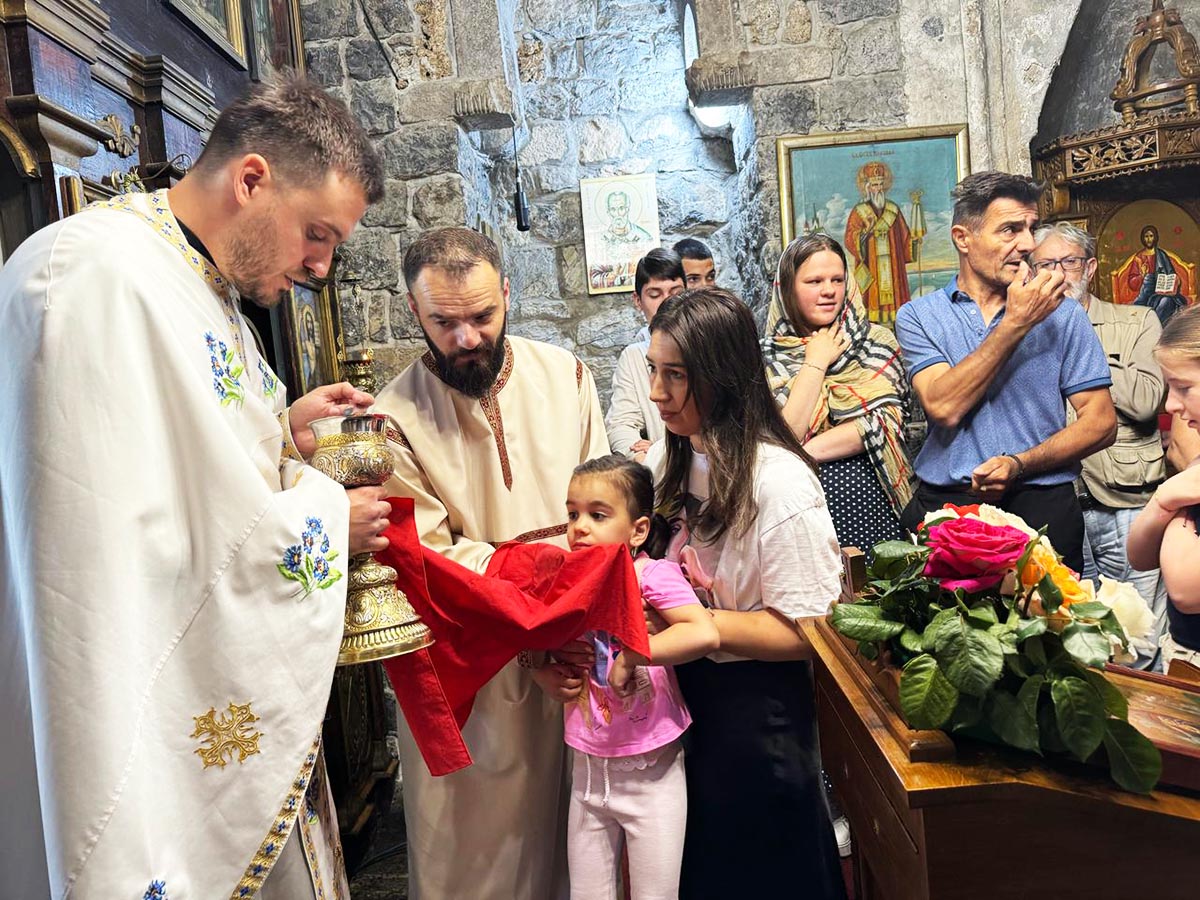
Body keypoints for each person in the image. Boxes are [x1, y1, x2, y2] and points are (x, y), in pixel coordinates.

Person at [0, 75, 391, 898]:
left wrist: (283, 434)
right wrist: (326, 519)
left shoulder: (202, 288)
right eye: (316, 233)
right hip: (138, 715)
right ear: (251, 180)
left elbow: (191, 467)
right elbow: (108, 543)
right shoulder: (91, 277)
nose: (321, 266)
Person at [372, 226, 609, 900]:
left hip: (574, 653)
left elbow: (606, 510)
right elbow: (430, 562)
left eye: (483, 315)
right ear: (414, 311)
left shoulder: (565, 376)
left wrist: (567, 630)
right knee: (478, 863)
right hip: (475, 669)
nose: (468, 337)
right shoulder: (392, 419)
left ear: (508, 293)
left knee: (581, 850)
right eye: (444, 322)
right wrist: (533, 639)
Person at [643, 287, 846, 899]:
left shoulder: (779, 482)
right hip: (689, 702)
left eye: (675, 375)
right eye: (653, 370)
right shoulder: (672, 460)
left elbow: (808, 630)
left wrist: (697, 624)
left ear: (723, 377)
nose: (657, 392)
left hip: (757, 715)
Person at [894, 171, 1117, 573]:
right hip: (949, 508)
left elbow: (1101, 423)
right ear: (963, 238)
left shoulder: (1063, 313)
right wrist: (1016, 322)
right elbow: (943, 406)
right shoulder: (919, 316)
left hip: (1043, 505)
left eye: (1031, 228)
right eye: (1010, 230)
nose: (1028, 244)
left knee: (1052, 615)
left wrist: (1020, 463)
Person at [539, 455, 719, 900]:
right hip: (587, 770)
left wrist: (634, 657)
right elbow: (537, 636)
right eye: (573, 514)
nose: (580, 527)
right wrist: (543, 671)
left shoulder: (650, 575)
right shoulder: (566, 579)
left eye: (598, 515)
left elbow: (703, 632)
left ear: (638, 530)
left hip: (651, 775)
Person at [1030, 223, 1167, 669]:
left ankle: (1146, 710)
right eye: (1045, 264)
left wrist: (1081, 341)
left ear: (1089, 268)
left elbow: (1145, 400)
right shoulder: (1026, 333)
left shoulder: (1137, 322)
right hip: (1060, 505)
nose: (1057, 273)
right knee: (1074, 633)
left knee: (1137, 635)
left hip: (1126, 503)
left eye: (1068, 262)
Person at [764, 233, 913, 554]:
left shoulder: (876, 343)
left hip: (875, 508)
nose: (829, 290)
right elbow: (784, 435)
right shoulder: (765, 357)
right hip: (796, 515)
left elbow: (885, 421)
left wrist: (803, 452)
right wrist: (816, 361)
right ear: (787, 289)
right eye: (814, 281)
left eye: (837, 279)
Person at [1129, 304, 1200, 669]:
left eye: (1183, 387)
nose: (1170, 404)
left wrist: (1170, 502)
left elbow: (1186, 589)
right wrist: (1164, 498)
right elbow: (1140, 557)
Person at [605, 248, 685, 460]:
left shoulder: (707, 345)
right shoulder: (634, 356)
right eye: (655, 295)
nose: (667, 302)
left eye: (676, 292)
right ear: (638, 300)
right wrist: (646, 457)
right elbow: (620, 424)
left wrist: (661, 450)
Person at [843, 160, 918, 325]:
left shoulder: (893, 209)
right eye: (875, 185)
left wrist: (913, 242)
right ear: (868, 187)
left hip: (893, 268)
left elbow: (904, 238)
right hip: (872, 268)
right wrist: (865, 233)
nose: (879, 188)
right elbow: (850, 238)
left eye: (881, 184)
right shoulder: (859, 212)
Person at [1112, 224, 1194, 325]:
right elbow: (1132, 284)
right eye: (1146, 236)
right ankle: (1152, 327)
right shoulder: (1138, 258)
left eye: (1151, 236)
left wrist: (1175, 280)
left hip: (1163, 294)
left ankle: (1153, 327)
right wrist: (1142, 276)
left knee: (1166, 301)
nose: (1149, 239)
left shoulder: (1162, 255)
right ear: (1142, 238)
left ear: (1155, 237)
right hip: (1146, 295)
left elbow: (1171, 274)